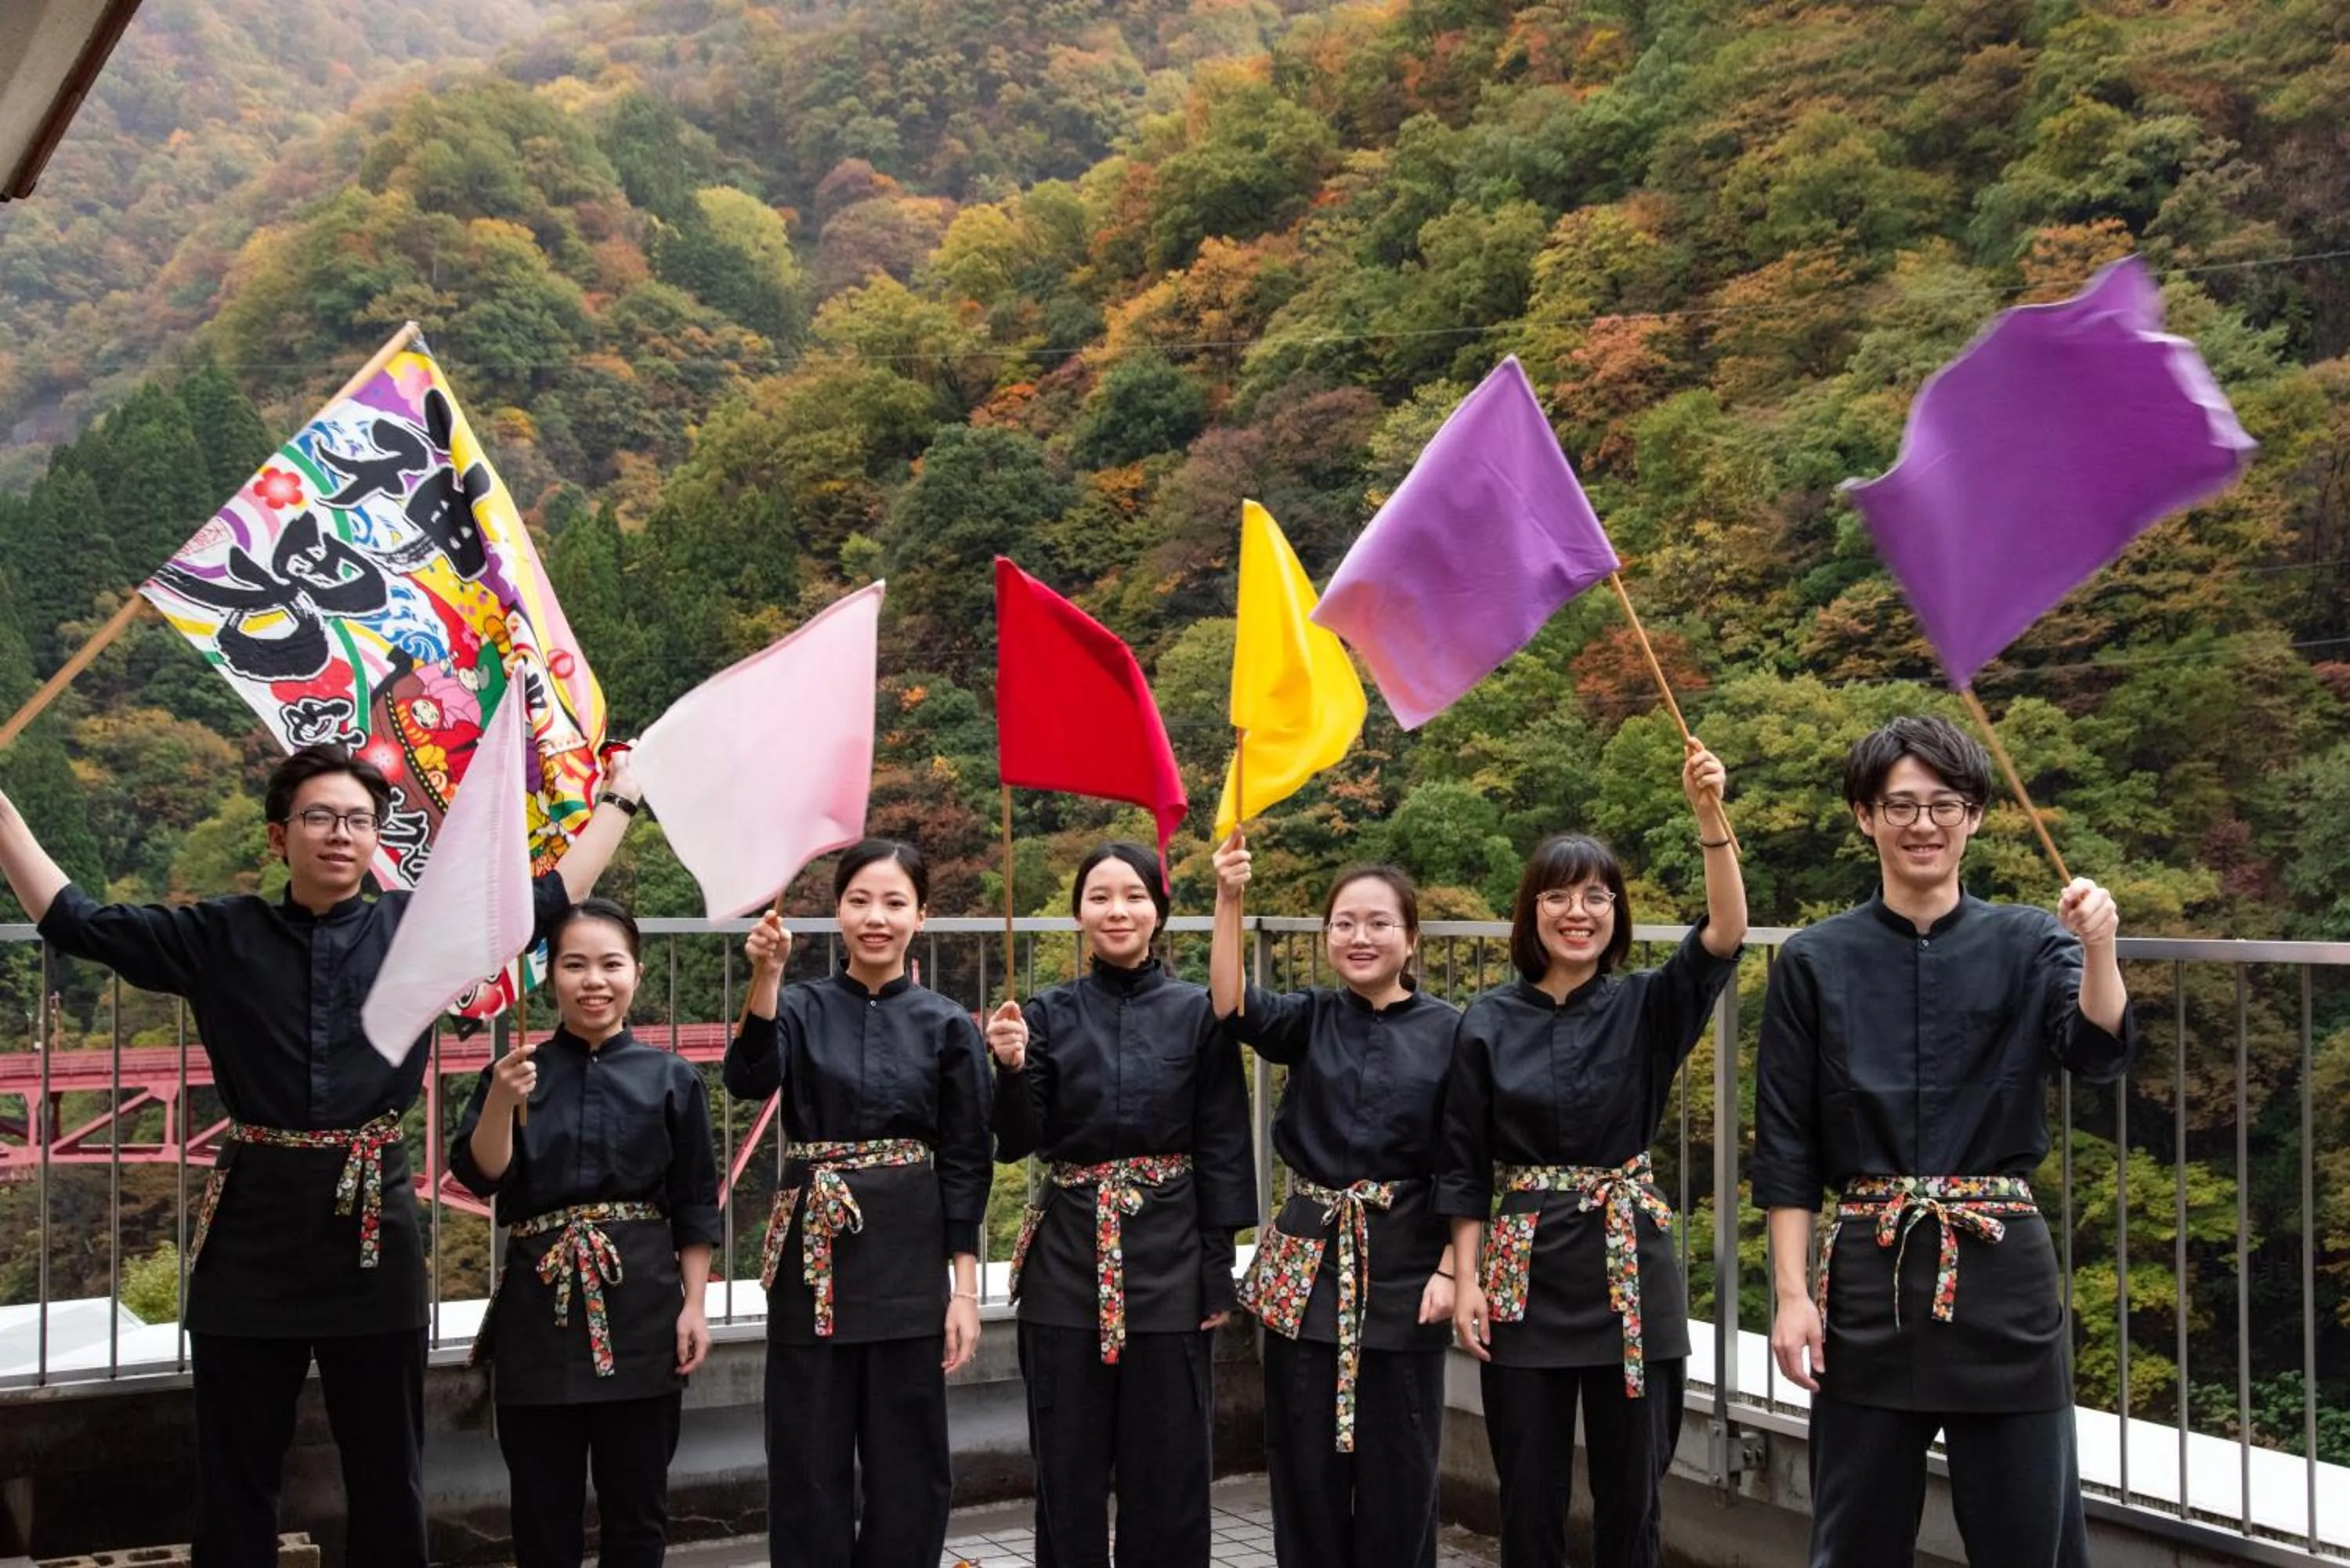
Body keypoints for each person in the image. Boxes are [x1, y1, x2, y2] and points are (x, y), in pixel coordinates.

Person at [0, 740, 640, 1567]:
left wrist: (620, 800)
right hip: (250, 1236)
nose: (340, 833)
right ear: (280, 836)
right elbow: (73, 919)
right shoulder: (219, 935)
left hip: (375, 1235)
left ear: (375, 839)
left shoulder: (415, 929)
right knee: (236, 1471)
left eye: (359, 820)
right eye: (320, 817)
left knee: (387, 1468)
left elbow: (547, 898)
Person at [1752, 715, 2131, 1567]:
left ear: (1975, 816)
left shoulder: (2031, 940)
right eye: (1901, 805)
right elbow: (1786, 1144)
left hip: (2002, 1274)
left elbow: (2096, 1050)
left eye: (1944, 805)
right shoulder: (1814, 959)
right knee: (1854, 1537)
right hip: (1869, 1276)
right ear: (1865, 816)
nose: (1923, 824)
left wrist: (2100, 947)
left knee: (2029, 1538)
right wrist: (1791, 1296)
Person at [1440, 741, 1746, 1568]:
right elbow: (1463, 1165)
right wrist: (1465, 1281)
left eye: (1597, 896)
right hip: (1522, 1271)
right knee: (1527, 1494)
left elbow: (1725, 932)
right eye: (1558, 895)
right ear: (1530, 910)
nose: (1578, 912)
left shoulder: (1648, 1004)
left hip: (1631, 1266)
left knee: (1633, 1493)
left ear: (1617, 912)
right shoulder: (1486, 1020)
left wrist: (1709, 815)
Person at [985, 841, 1256, 1568]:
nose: (1117, 911)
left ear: (1159, 912)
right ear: (1078, 912)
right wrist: (1009, 1068)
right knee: (1066, 1468)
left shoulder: (1199, 1013)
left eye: (1134, 895)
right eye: (1100, 896)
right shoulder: (1044, 1014)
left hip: (1171, 1259)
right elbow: (1017, 1141)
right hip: (1066, 1261)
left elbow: (1224, 1140)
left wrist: (1217, 1267)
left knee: (1170, 1470)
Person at [724, 838, 992, 1568]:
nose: (877, 918)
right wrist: (766, 977)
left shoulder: (947, 1024)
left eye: (895, 903)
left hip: (908, 1259)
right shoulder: (798, 1006)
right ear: (837, 911)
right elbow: (748, 1078)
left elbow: (966, 1160)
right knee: (807, 1458)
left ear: (922, 916)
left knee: (910, 1464)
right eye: (860, 901)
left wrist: (964, 1289)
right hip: (813, 1260)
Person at [1207, 848, 1460, 1568]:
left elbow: (1469, 1162)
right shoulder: (1311, 1017)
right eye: (1343, 923)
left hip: (1408, 1267)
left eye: (1379, 923)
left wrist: (1452, 1267)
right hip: (1307, 1265)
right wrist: (1229, 898)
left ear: (1412, 937)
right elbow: (1230, 1004)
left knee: (1401, 1473)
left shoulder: (1454, 1032)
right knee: (1303, 1470)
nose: (1360, 937)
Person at [450, 897, 720, 1568]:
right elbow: (482, 1175)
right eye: (574, 965)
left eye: (611, 964)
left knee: (639, 1512)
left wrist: (694, 1305)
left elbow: (693, 1201)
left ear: (637, 973)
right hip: (538, 1319)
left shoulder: (672, 1078)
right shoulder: (513, 1074)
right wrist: (502, 1102)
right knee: (542, 1515)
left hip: (644, 1313)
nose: (593, 981)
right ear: (550, 976)